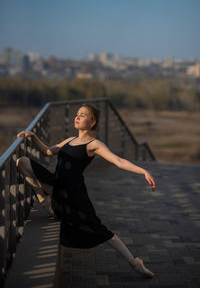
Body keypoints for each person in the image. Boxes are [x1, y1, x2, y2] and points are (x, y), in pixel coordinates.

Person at [16, 103, 156, 278]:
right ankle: (46, 202)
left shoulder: (94, 144)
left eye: (82, 115)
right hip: (56, 185)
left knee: (100, 230)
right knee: (22, 162)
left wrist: (143, 171)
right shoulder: (68, 140)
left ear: (92, 122)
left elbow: (118, 161)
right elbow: (47, 151)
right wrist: (33, 136)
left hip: (74, 195)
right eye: (77, 114)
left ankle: (136, 264)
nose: (77, 117)